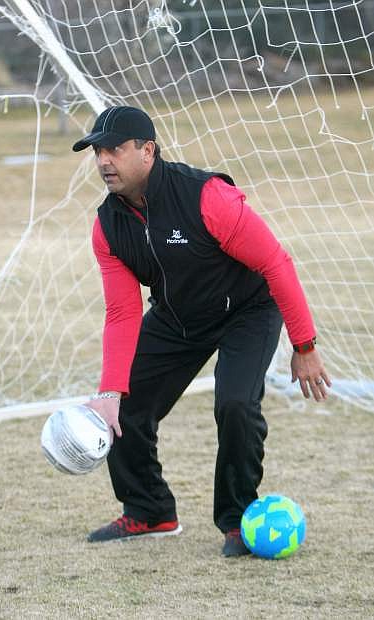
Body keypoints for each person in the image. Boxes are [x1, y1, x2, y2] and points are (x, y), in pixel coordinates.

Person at [72, 106, 331, 557]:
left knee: (234, 403)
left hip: (246, 311)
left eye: (113, 149)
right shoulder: (107, 225)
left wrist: (304, 344)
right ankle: (150, 510)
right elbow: (121, 312)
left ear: (147, 150)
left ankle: (237, 522)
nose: (103, 161)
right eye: (97, 151)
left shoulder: (206, 196)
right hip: (177, 316)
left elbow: (276, 264)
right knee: (124, 407)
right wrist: (110, 391)